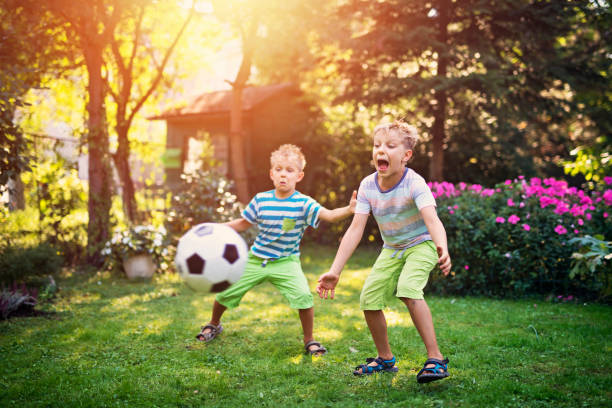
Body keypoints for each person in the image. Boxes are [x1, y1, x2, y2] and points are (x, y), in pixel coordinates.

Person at [316, 120, 452, 383]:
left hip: (421, 244)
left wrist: (442, 247)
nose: (382, 150)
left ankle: (435, 359)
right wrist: (335, 270)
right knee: (369, 298)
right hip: (392, 249)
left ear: (406, 155)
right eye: (377, 145)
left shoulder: (415, 183)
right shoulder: (368, 185)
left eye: (390, 145)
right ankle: (385, 359)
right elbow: (355, 230)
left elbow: (432, 219)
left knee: (408, 289)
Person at [196, 144, 356, 356]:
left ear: (299, 176)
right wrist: (216, 227)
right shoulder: (261, 200)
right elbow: (243, 224)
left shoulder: (303, 203)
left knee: (304, 298)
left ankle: (309, 340)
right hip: (256, 259)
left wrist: (349, 209)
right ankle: (213, 324)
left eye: (289, 170)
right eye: (279, 169)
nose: (283, 174)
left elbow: (329, 215)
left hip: (286, 261)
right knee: (226, 292)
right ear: (271, 174)